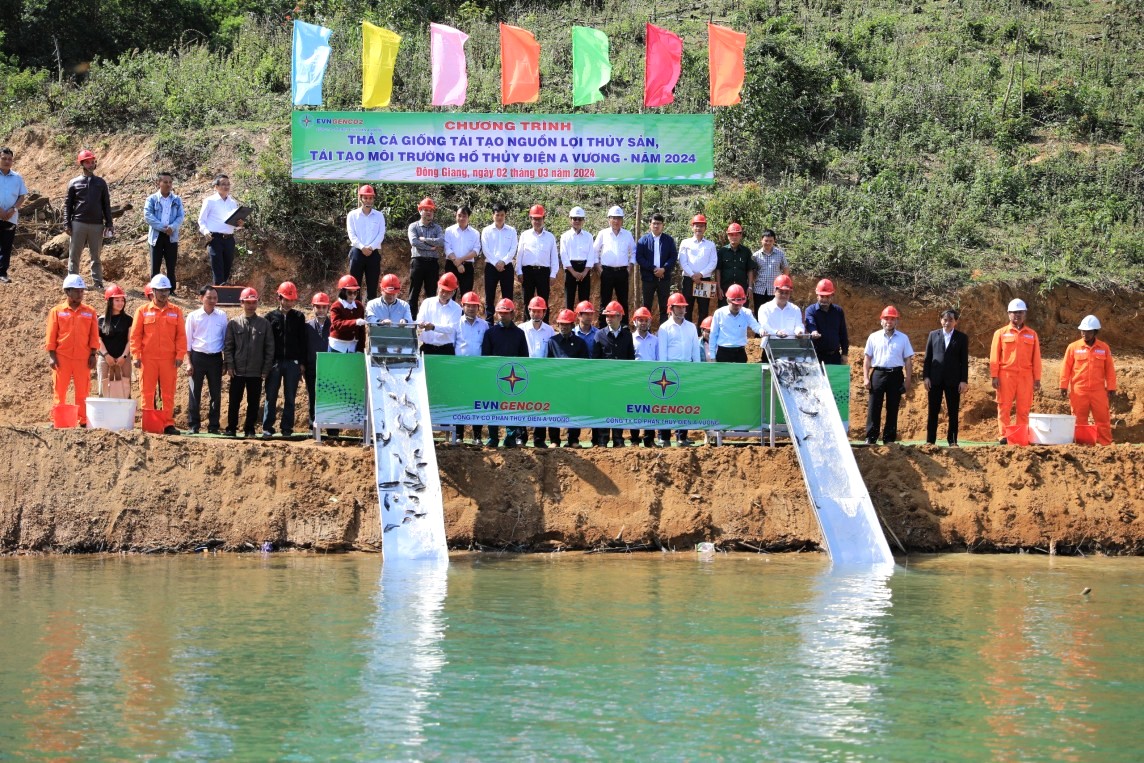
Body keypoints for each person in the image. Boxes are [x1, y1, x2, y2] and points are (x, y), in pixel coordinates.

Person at [129, 274, 187, 435]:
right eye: (160, 291)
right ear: (153, 291)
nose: (163, 294)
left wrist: (180, 355)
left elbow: (181, 336)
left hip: (169, 359)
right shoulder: (142, 311)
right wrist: (136, 355)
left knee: (168, 392)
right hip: (148, 359)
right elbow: (135, 336)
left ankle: (168, 424)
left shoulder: (176, 311)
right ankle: (149, 423)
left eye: (166, 290)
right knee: (147, 392)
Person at [45, 274, 99, 426]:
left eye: (82, 291)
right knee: (60, 390)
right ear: (67, 291)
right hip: (62, 357)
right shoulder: (57, 311)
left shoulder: (90, 311)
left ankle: (83, 420)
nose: (80, 294)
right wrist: (52, 355)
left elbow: (94, 335)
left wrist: (93, 354)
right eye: (76, 291)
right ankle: (58, 420)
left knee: (83, 391)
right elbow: (51, 334)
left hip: (83, 358)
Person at [223, 288, 274, 437]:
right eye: (248, 302)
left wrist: (266, 368)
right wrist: (230, 365)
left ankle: (249, 429)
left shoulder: (264, 324)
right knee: (234, 400)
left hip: (256, 371)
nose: (251, 305)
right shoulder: (234, 323)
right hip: (237, 371)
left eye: (254, 302)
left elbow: (269, 348)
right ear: (241, 303)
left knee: (253, 402)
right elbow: (228, 346)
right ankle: (231, 428)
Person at [989, 298, 1042, 444]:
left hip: (1026, 376)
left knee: (1024, 409)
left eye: (1020, 312)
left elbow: (1036, 358)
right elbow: (994, 356)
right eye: (1014, 312)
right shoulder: (1000, 333)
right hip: (1006, 375)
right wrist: (994, 375)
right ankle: (1004, 436)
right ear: (1008, 314)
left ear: (1025, 314)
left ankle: (1020, 436)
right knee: (1004, 407)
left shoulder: (1032, 334)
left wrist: (1037, 378)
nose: (1017, 315)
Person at [1060, 315, 1117, 446]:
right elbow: (1065, 367)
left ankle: (1105, 445)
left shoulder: (1104, 348)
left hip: (1098, 391)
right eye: (1083, 331)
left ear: (1095, 332)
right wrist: (1063, 385)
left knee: (1103, 419)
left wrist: (1111, 387)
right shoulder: (1073, 347)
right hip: (1079, 390)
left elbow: (1110, 369)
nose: (1085, 334)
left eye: (1088, 332)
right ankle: (1082, 446)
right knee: (1079, 420)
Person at [862, 305, 914, 446]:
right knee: (874, 406)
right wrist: (866, 377)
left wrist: (908, 379)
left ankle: (889, 438)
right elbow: (867, 358)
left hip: (896, 375)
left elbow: (908, 360)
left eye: (892, 319)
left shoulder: (903, 338)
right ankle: (871, 437)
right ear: (881, 321)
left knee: (893, 406)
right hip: (878, 374)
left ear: (896, 321)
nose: (889, 322)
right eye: (886, 319)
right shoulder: (873, 337)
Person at [480, 298, 529, 447]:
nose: (503, 315)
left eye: (506, 313)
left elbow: (524, 357)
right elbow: (485, 356)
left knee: (512, 407)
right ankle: (493, 438)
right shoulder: (490, 333)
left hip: (514, 379)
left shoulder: (519, 333)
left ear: (512, 314)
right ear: (496, 314)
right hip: (494, 377)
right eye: (500, 312)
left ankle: (510, 438)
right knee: (493, 407)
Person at [262, 281, 308, 438]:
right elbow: (266, 343)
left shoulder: (299, 317)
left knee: (290, 396)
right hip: (274, 363)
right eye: (286, 300)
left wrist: (301, 362)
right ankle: (267, 427)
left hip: (293, 363)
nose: (289, 303)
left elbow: (302, 341)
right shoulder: (269, 317)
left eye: (292, 300)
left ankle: (287, 428)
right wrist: (266, 363)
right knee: (271, 395)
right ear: (279, 298)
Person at [658, 292, 703, 445]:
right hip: (670, 370)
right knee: (666, 405)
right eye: (678, 307)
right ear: (671, 308)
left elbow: (695, 350)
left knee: (685, 404)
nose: (682, 310)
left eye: (683, 307)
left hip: (687, 369)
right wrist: (664, 372)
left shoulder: (691, 327)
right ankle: (664, 437)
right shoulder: (664, 328)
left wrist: (696, 370)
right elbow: (662, 353)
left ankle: (681, 437)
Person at [64, 150, 114, 289]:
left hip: (97, 224)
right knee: (74, 254)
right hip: (78, 222)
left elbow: (106, 204)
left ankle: (97, 282)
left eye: (92, 162)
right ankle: (72, 282)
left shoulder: (101, 183)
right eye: (87, 162)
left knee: (96, 256)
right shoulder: (74, 183)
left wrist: (109, 223)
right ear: (82, 164)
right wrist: (67, 223)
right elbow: (68, 205)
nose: (91, 164)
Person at [184, 285, 228, 434]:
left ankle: (213, 426)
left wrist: (225, 361)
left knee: (215, 394)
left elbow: (225, 339)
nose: (212, 300)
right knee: (194, 392)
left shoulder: (222, 315)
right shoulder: (193, 316)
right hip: (198, 357)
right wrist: (189, 362)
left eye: (215, 298)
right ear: (201, 298)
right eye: (209, 298)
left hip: (216, 358)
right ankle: (193, 425)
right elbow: (187, 341)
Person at [923, 309, 969, 447]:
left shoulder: (961, 338)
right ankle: (930, 441)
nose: (947, 322)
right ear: (940, 320)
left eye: (950, 320)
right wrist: (926, 377)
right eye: (944, 319)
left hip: (953, 380)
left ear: (956, 322)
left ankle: (952, 440)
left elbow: (964, 361)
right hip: (935, 379)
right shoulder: (933, 335)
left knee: (953, 411)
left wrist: (963, 380)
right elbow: (928, 358)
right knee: (933, 411)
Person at [592, 301, 635, 446]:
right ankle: (603, 440)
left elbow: (631, 359)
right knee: (604, 409)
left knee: (619, 408)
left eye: (612, 316)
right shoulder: (599, 335)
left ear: (620, 317)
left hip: (621, 382)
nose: (609, 319)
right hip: (604, 382)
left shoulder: (627, 336)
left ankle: (618, 439)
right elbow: (595, 360)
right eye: (607, 316)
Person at [547, 308, 590, 447]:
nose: (563, 327)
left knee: (574, 410)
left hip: (574, 384)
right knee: (554, 411)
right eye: (561, 324)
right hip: (556, 385)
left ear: (572, 325)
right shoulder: (552, 341)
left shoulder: (580, 343)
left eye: (566, 324)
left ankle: (573, 440)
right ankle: (554, 440)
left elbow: (584, 365)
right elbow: (548, 363)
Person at [522, 296, 557, 447]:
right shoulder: (521, 329)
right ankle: (521, 438)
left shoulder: (550, 331)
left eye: (539, 311)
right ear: (529, 311)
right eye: (533, 311)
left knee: (541, 405)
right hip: (524, 374)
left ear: (544, 312)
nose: (536, 314)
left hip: (543, 375)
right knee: (522, 405)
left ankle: (539, 439)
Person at [454, 292, 488, 444]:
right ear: (463, 306)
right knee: (460, 401)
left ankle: (477, 436)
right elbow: (452, 344)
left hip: (478, 370)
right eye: (468, 306)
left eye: (474, 306)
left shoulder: (484, 325)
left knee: (477, 402)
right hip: (460, 369)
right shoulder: (456, 323)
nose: (471, 309)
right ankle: (459, 436)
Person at [593, 206, 636, 327]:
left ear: (622, 220)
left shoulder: (627, 234)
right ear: (609, 219)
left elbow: (634, 251)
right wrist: (599, 268)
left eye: (619, 218)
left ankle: (624, 327)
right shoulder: (603, 234)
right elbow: (594, 251)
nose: (616, 221)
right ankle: (602, 327)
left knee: (623, 301)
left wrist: (630, 267)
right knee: (604, 301)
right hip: (606, 272)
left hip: (622, 272)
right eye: (614, 218)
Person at [197, 174, 243, 285]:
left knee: (227, 267)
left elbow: (235, 224)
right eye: (223, 184)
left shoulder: (232, 203)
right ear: (216, 187)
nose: (226, 187)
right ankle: (218, 292)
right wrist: (206, 232)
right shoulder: (210, 201)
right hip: (215, 238)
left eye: (228, 184)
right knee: (217, 268)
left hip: (229, 239)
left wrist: (239, 224)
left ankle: (222, 290)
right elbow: (201, 220)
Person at [143, 172, 185, 292]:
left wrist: (172, 227)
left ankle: (171, 290)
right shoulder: (152, 199)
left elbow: (180, 216)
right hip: (156, 236)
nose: (168, 184)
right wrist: (163, 228)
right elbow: (148, 215)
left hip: (171, 236)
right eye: (165, 182)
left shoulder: (177, 200)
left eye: (170, 182)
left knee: (171, 265)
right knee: (155, 265)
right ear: (159, 183)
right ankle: (154, 290)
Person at [516, 205, 558, 319]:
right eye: (534, 219)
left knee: (544, 301)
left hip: (543, 272)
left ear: (544, 219)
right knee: (527, 301)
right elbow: (519, 254)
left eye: (539, 219)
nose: (537, 221)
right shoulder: (525, 235)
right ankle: (526, 325)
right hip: (527, 272)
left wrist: (553, 274)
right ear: (530, 219)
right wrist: (519, 271)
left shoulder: (550, 237)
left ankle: (545, 325)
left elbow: (554, 257)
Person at [635, 213, 678, 324]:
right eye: (654, 223)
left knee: (664, 306)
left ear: (663, 225)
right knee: (646, 306)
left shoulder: (669, 240)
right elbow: (639, 258)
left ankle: (663, 329)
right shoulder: (643, 240)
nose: (656, 226)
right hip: (648, 278)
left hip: (664, 278)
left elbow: (673, 257)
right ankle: (646, 329)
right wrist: (653, 269)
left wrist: (664, 269)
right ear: (650, 224)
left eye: (658, 223)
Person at [346, 184, 386, 302]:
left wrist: (371, 247)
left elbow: (381, 234)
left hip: (373, 253)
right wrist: (362, 247)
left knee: (372, 286)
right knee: (354, 285)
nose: (368, 200)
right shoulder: (352, 215)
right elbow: (351, 234)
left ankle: (371, 311)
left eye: (370, 198)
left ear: (373, 199)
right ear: (361, 198)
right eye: (365, 197)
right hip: (357, 253)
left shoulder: (379, 215)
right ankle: (355, 310)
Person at [407, 197, 444, 317]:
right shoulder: (414, 226)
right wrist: (430, 247)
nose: (429, 212)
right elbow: (414, 242)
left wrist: (425, 239)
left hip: (432, 263)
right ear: (420, 211)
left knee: (432, 294)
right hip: (417, 262)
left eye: (431, 210)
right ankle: (412, 320)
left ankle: (430, 319)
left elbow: (441, 241)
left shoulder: (437, 228)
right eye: (426, 210)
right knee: (414, 292)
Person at [678, 214, 717, 326]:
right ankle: (688, 331)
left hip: (705, 280)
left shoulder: (711, 245)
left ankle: (701, 333)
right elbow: (682, 261)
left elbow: (713, 262)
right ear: (692, 227)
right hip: (688, 280)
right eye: (696, 226)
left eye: (701, 226)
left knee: (704, 309)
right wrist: (692, 275)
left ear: (705, 228)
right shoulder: (685, 243)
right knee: (687, 308)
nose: (699, 228)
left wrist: (700, 274)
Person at [481, 203, 518, 322]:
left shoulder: (511, 231)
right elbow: (485, 249)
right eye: (497, 215)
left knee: (508, 296)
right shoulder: (486, 231)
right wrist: (496, 263)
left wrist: (503, 262)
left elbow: (513, 248)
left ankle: (507, 321)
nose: (499, 217)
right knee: (489, 296)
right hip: (491, 267)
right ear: (493, 215)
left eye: (502, 215)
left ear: (505, 215)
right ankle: (489, 322)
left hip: (507, 267)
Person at [709, 284, 761, 363]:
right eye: (735, 304)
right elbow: (713, 334)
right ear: (728, 301)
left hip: (740, 352)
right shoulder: (719, 313)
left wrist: (762, 330)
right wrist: (712, 356)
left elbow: (755, 326)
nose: (737, 306)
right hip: (723, 352)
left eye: (740, 304)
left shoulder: (747, 313)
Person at [97, 284, 133, 399]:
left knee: (124, 388)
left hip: (124, 359)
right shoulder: (101, 320)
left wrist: (124, 357)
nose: (120, 303)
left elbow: (130, 340)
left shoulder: (128, 320)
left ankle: (124, 410)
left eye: (122, 300)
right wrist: (106, 355)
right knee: (104, 388)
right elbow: (98, 339)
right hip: (105, 358)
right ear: (110, 301)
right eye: (117, 300)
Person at [631, 306, 659, 446]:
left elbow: (658, 360)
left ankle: (649, 439)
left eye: (645, 320)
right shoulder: (630, 339)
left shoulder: (655, 340)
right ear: (634, 322)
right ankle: (634, 439)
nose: (643, 323)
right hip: (635, 379)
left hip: (652, 380)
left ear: (649, 322)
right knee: (634, 409)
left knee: (650, 410)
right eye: (640, 320)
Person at [0, 146, 28, 284]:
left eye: (9, 159)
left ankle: (2, 273)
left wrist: (13, 209)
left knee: (6, 246)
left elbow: (22, 196)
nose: (7, 161)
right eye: (4, 158)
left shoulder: (17, 178)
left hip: (11, 217)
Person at [803, 279, 849, 365]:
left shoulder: (838, 311)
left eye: (827, 296)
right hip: (816, 357)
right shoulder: (811, 310)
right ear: (817, 295)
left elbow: (843, 333)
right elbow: (810, 324)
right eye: (822, 296)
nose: (824, 299)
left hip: (835, 357)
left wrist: (844, 353)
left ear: (832, 296)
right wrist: (813, 331)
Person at [559, 206, 595, 311]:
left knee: (584, 300)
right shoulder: (565, 236)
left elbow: (591, 255)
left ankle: (584, 320)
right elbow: (564, 255)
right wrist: (573, 272)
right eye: (575, 219)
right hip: (570, 269)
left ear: (583, 220)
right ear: (570, 220)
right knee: (569, 299)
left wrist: (585, 271)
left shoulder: (588, 236)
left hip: (584, 269)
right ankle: (568, 319)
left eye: (580, 219)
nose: (577, 221)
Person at [304, 292, 331, 427]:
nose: (321, 310)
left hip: (330, 369)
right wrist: (303, 365)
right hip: (311, 368)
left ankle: (332, 430)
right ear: (313, 307)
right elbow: (303, 348)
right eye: (318, 307)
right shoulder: (307, 327)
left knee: (330, 398)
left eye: (324, 307)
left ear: (328, 308)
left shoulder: (334, 326)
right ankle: (313, 427)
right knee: (313, 397)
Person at [416, 272, 461, 355]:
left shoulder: (457, 308)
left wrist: (433, 327)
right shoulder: (427, 302)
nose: (444, 294)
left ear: (453, 292)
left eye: (448, 292)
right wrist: (421, 324)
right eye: (442, 290)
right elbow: (419, 320)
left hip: (446, 349)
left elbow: (451, 328)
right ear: (438, 288)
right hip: (427, 348)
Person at [756, 274, 804, 347]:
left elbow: (799, 325)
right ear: (774, 291)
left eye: (787, 293)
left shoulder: (795, 309)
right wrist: (776, 332)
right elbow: (765, 326)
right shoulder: (764, 308)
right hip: (770, 346)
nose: (784, 295)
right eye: (781, 292)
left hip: (790, 347)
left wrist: (799, 331)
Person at [715, 223, 756, 307]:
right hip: (725, 290)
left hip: (742, 290)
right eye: (731, 235)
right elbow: (718, 270)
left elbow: (750, 270)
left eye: (737, 234)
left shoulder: (746, 251)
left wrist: (750, 287)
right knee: (724, 311)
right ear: (728, 236)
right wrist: (718, 288)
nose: (734, 237)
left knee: (742, 311)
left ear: (741, 236)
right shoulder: (722, 251)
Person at [444, 205, 480, 300]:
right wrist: (458, 264)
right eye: (459, 215)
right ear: (455, 216)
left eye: (464, 216)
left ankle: (465, 311)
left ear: (468, 217)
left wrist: (460, 260)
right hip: (451, 265)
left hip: (467, 267)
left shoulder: (475, 233)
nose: (461, 218)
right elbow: (447, 248)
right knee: (449, 294)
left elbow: (476, 250)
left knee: (467, 295)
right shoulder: (449, 231)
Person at [750, 229, 789, 311]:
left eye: (770, 241)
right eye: (766, 240)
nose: (768, 243)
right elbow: (752, 272)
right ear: (761, 240)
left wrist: (783, 284)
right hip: (759, 290)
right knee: (759, 312)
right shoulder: (755, 256)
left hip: (775, 290)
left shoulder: (780, 254)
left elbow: (785, 268)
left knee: (774, 312)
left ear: (774, 241)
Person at [329, 275, 367, 353]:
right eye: (349, 293)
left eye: (355, 292)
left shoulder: (359, 306)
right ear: (343, 292)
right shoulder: (336, 306)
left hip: (353, 345)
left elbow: (361, 330)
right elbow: (337, 324)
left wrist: (360, 348)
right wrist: (355, 322)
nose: (352, 295)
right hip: (338, 345)